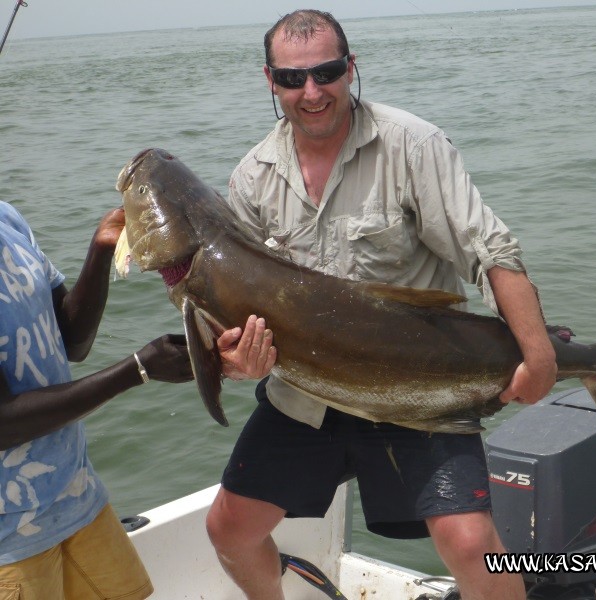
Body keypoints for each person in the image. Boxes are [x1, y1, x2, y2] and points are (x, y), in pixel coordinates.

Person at [205, 10, 558, 600]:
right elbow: (235, 316)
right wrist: (240, 360)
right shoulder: (251, 179)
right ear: (271, 81)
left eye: (327, 72)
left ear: (351, 68)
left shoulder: (412, 145)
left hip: (409, 388)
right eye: (294, 79)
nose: (312, 92)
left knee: (469, 542)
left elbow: (491, 250)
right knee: (228, 530)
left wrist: (539, 355)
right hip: (307, 393)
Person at [0, 201, 194, 599]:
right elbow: (3, 423)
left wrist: (102, 247)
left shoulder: (7, 219)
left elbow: (72, 339)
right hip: (8, 537)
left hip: (75, 494)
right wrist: (137, 368)